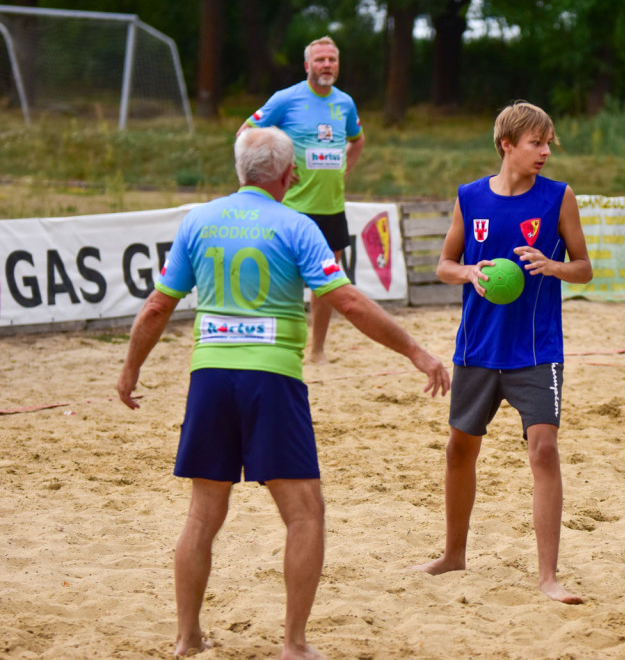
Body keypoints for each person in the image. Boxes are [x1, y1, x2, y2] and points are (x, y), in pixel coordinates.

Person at [117, 127, 449, 659]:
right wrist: (415, 351)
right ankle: (294, 643)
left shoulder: (199, 220)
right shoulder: (297, 225)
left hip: (209, 376)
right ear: (290, 175)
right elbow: (351, 304)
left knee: (202, 514)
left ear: (240, 171)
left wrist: (131, 367)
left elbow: (158, 306)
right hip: (272, 379)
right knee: (304, 513)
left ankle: (187, 638)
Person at [410, 101, 592, 604]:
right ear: (507, 145)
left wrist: (553, 267)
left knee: (545, 450)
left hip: (536, 351)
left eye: (549, 142)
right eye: (537, 142)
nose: (546, 151)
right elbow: (445, 264)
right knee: (459, 449)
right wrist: (469, 272)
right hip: (477, 348)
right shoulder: (470, 198)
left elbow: (585, 267)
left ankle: (548, 576)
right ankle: (453, 554)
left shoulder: (559, 198)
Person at [238, 35, 364, 365]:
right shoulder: (286, 99)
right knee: (283, 278)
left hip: (330, 207)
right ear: (307, 65)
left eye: (332, 60)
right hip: (291, 207)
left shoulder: (345, 103)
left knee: (327, 282)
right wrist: (270, 171)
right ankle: (277, 343)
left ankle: (317, 350)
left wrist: (344, 171)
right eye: (320, 60)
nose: (327, 65)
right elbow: (245, 133)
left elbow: (358, 140)